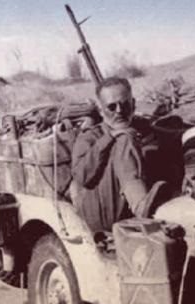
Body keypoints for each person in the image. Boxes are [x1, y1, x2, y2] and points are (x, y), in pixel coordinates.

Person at [71, 76, 177, 233]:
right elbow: (81, 177)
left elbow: (170, 136)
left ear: (133, 104)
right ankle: (141, 205)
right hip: (105, 214)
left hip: (132, 211)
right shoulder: (89, 137)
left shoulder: (142, 127)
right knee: (125, 138)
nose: (119, 111)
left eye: (125, 105)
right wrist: (110, 138)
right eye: (111, 107)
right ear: (100, 111)